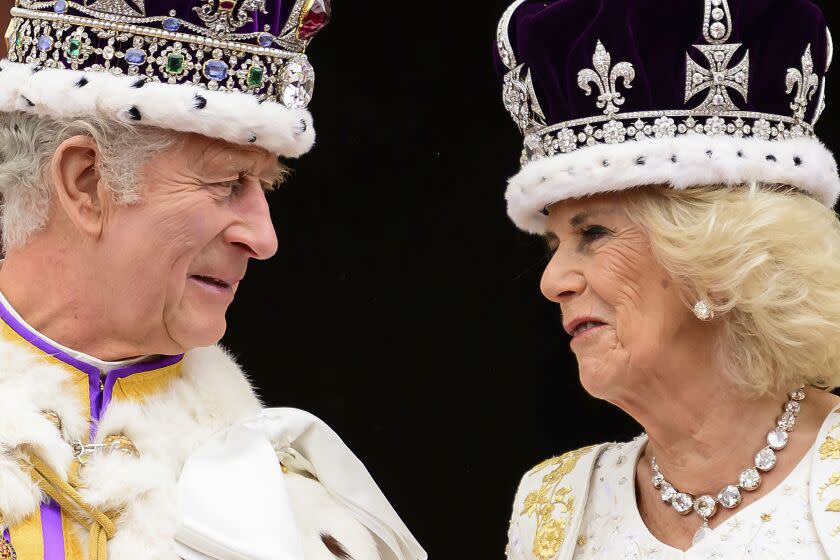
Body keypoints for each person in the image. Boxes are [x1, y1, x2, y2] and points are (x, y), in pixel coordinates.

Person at [0, 1, 425, 560]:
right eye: (229, 182)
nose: (264, 239)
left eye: (263, 188)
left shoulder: (291, 512)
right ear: (85, 181)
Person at [494, 0, 840, 558]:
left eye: (595, 234)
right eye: (554, 244)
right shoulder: (553, 507)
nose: (552, 280)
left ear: (722, 254)